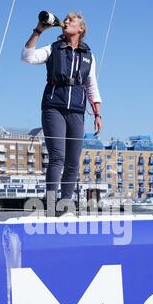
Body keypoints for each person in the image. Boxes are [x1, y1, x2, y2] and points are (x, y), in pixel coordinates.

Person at [22, 11, 102, 216]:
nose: (66, 22)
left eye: (71, 20)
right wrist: (39, 30)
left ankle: (65, 206)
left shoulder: (88, 55)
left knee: (73, 160)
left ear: (81, 28)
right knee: (57, 156)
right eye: (65, 20)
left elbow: (92, 85)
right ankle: (50, 206)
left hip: (77, 110)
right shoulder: (54, 48)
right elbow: (27, 57)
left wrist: (98, 114)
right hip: (53, 107)